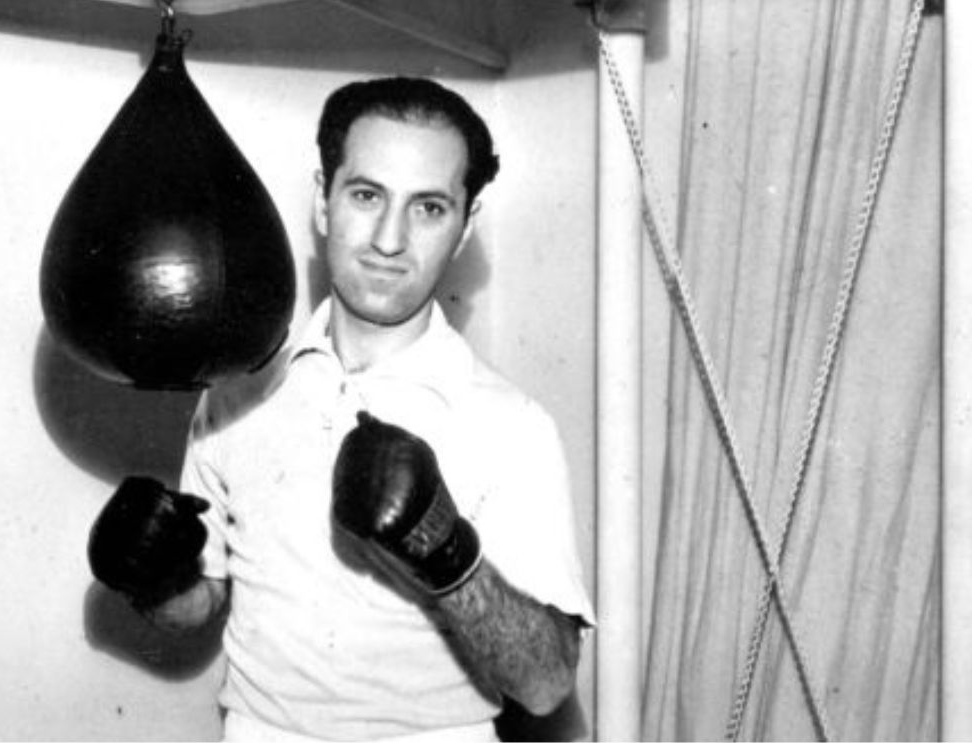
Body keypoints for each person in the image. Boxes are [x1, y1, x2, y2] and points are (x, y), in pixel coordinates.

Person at [88, 76, 595, 741]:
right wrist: (152, 579)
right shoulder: (236, 394)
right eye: (366, 195)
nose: (389, 239)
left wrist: (445, 551)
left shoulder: (511, 426)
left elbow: (547, 682)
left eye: (428, 208)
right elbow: (201, 604)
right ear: (323, 201)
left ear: (465, 226)